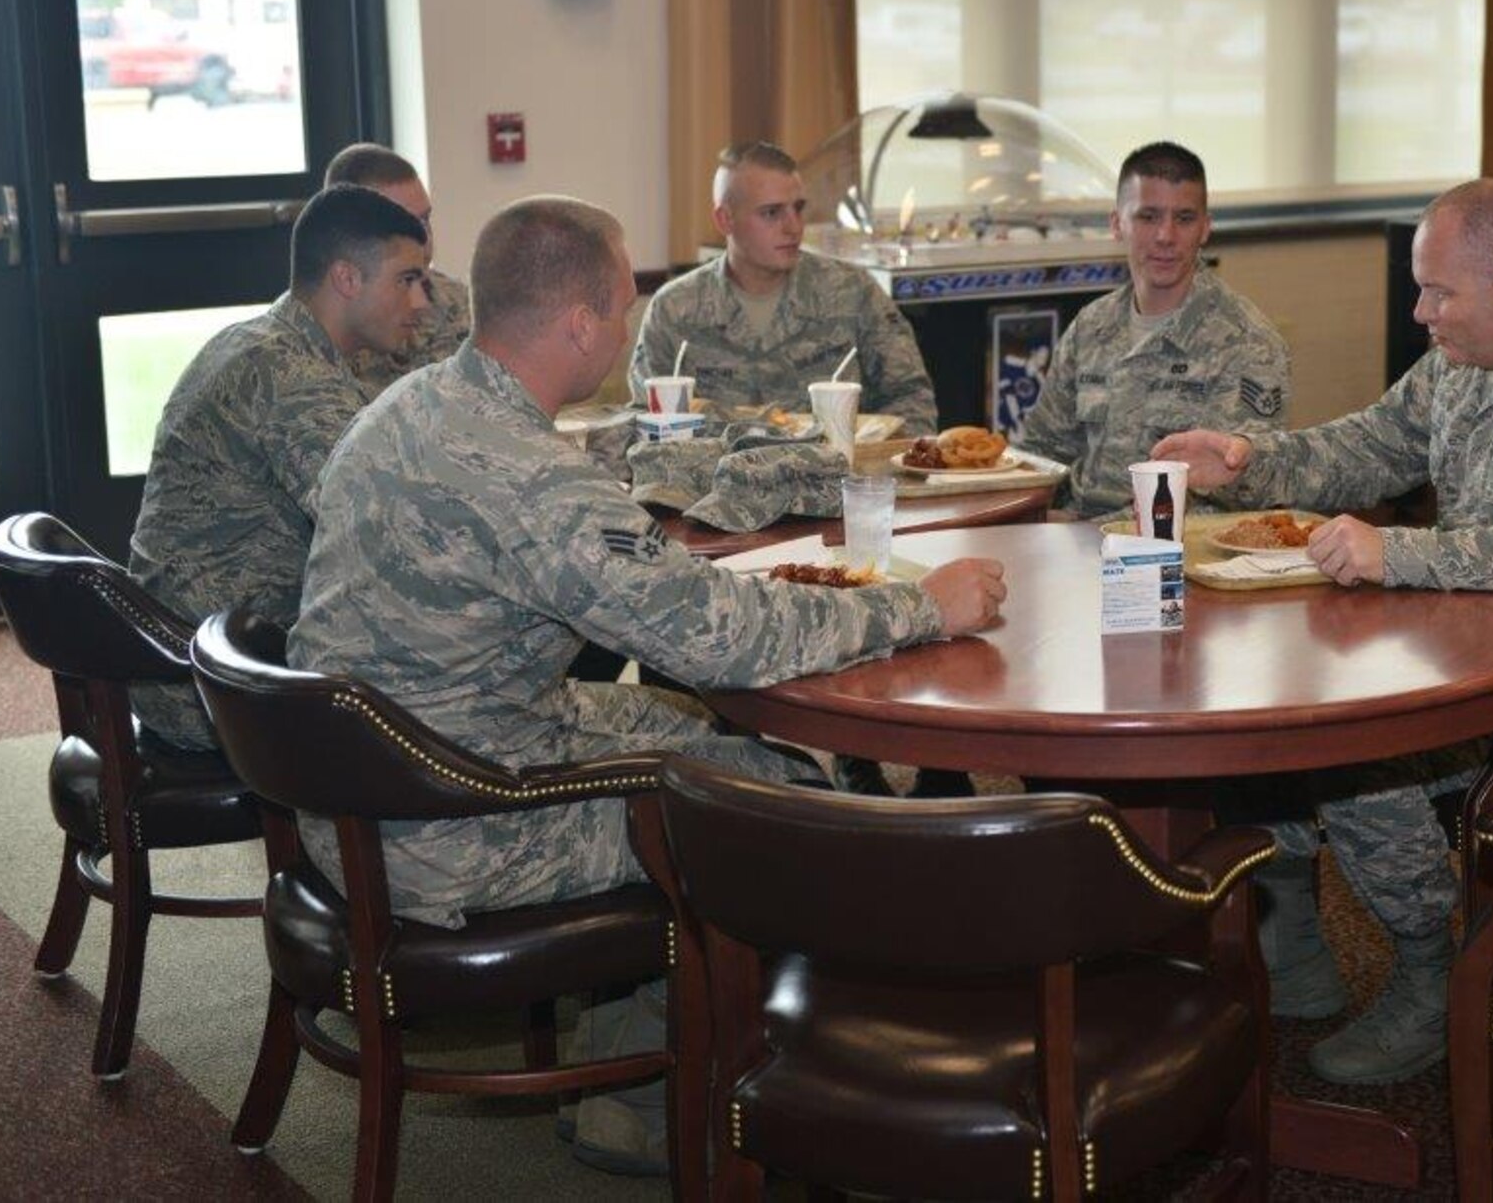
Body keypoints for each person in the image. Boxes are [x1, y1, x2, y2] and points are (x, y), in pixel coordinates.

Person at [288, 195, 1006, 1174]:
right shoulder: (536, 482)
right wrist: (930, 606)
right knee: (771, 803)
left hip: (360, 782)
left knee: (704, 733)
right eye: (621, 310)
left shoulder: (406, 407)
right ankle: (729, 1093)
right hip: (450, 822)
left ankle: (633, 1057)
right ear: (580, 323)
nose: (623, 330)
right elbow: (727, 637)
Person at [1153, 177, 1493, 1086]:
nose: (1419, 309)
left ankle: (1432, 977)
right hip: (1464, 641)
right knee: (1260, 696)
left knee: (1354, 747)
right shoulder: (1460, 360)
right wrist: (1248, 460)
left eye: (1436, 290)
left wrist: (1398, 554)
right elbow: (1372, 443)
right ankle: (1291, 940)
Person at [126, 184, 429, 751]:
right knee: (482, 658)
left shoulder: (268, 343)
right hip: (218, 682)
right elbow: (386, 531)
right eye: (407, 280)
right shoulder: (292, 379)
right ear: (346, 278)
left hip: (188, 654)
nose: (422, 304)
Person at [1016, 140, 1289, 519]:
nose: (1165, 236)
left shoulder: (1245, 341)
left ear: (1205, 228)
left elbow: (1233, 498)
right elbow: (1040, 455)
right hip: (1073, 540)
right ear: (1117, 224)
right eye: (1148, 217)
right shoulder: (1091, 327)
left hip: (1169, 551)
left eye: (1184, 218)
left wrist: (1082, 534)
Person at [629, 140, 938, 434]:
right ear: (725, 220)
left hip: (833, 482)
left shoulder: (851, 293)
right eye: (772, 213)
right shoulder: (675, 308)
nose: (794, 226)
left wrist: (877, 465)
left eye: (798, 208)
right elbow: (644, 420)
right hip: (712, 485)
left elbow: (911, 399)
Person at [323, 143, 472, 391]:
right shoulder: (320, 328)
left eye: (425, 219)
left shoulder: (461, 305)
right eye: (403, 225)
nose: (423, 238)